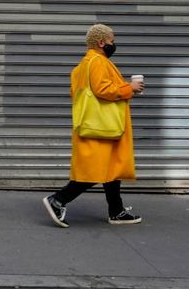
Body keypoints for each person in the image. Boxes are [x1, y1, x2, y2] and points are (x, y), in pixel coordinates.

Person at [42, 23, 145, 228]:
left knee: (110, 169)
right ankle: (58, 200)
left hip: (91, 124)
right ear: (101, 42)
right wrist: (129, 88)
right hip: (102, 127)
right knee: (95, 170)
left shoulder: (82, 65)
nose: (113, 45)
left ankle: (116, 211)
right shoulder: (98, 62)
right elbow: (102, 89)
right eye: (111, 41)